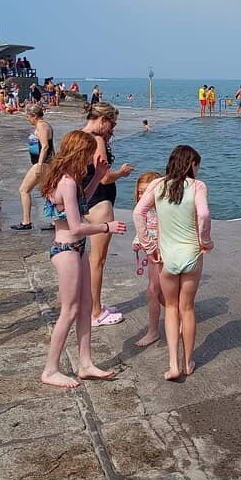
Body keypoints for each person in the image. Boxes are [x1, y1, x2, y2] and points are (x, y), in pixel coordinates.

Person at [39, 130, 127, 388]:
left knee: (86, 307)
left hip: (77, 248)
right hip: (66, 250)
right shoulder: (65, 181)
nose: (92, 158)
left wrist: (98, 177)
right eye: (89, 154)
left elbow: (80, 206)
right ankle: (50, 369)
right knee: (70, 310)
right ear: (80, 152)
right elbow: (76, 226)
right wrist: (105, 228)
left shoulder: (68, 178)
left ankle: (86, 363)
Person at [133, 145, 214, 381]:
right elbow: (204, 214)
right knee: (187, 309)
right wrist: (205, 240)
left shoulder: (158, 185)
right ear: (191, 164)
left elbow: (138, 213)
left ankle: (173, 364)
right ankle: (188, 362)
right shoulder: (197, 186)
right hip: (191, 254)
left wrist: (149, 246)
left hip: (166, 257)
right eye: (197, 165)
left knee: (171, 309)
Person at [81, 103, 134, 327]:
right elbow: (104, 177)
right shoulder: (97, 140)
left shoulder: (77, 136)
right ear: (102, 120)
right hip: (100, 203)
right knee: (97, 261)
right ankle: (95, 312)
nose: (112, 131)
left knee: (90, 260)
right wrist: (121, 174)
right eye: (111, 125)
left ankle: (93, 306)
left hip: (86, 200)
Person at [132, 171, 164, 348]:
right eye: (139, 191)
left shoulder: (162, 209)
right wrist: (137, 242)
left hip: (164, 254)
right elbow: (141, 230)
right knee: (153, 291)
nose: (141, 195)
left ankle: (176, 321)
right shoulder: (142, 211)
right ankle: (153, 330)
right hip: (153, 256)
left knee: (159, 292)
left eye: (146, 192)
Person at [11, 105, 54, 230]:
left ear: (34, 116)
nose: (28, 119)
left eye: (28, 117)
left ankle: (26, 222)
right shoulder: (42, 125)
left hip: (42, 163)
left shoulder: (42, 125)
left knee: (24, 190)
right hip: (44, 163)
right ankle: (56, 220)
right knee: (49, 192)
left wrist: (40, 165)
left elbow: (45, 146)